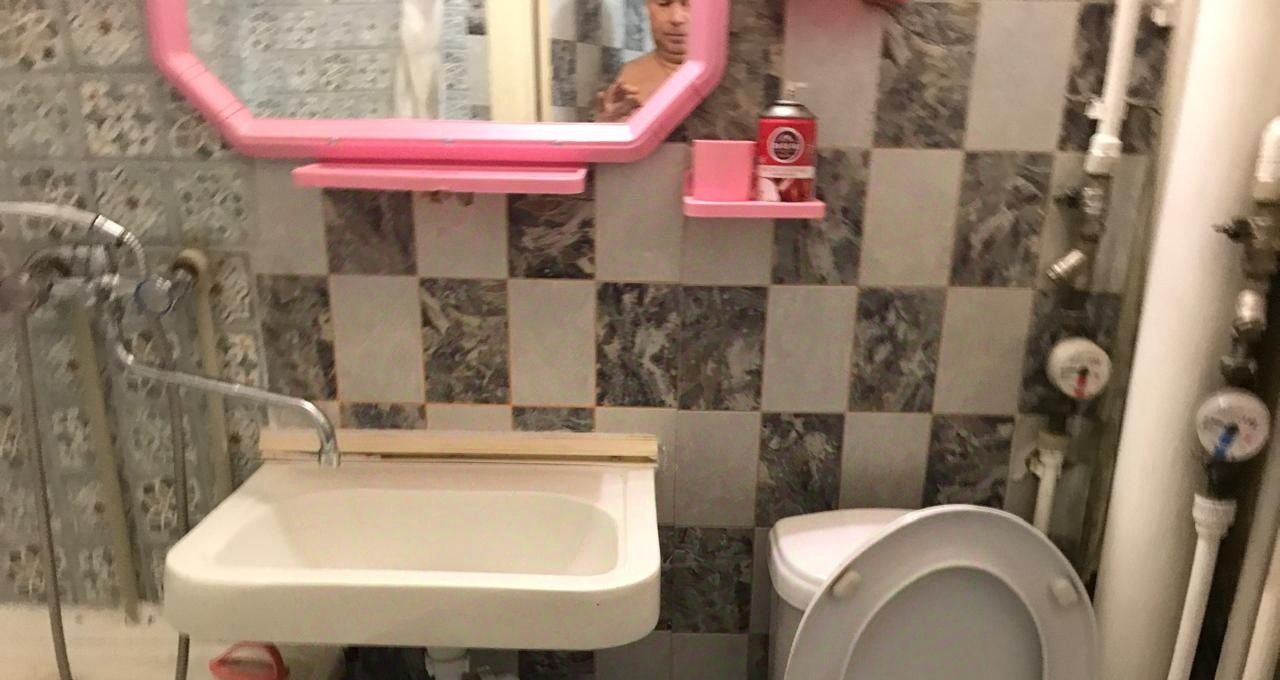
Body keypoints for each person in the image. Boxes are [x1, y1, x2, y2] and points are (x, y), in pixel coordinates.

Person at [595, 0, 689, 122]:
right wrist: (606, 126)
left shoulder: (715, 78)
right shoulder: (622, 83)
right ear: (647, 7)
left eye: (690, 4)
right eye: (663, 4)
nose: (676, 18)